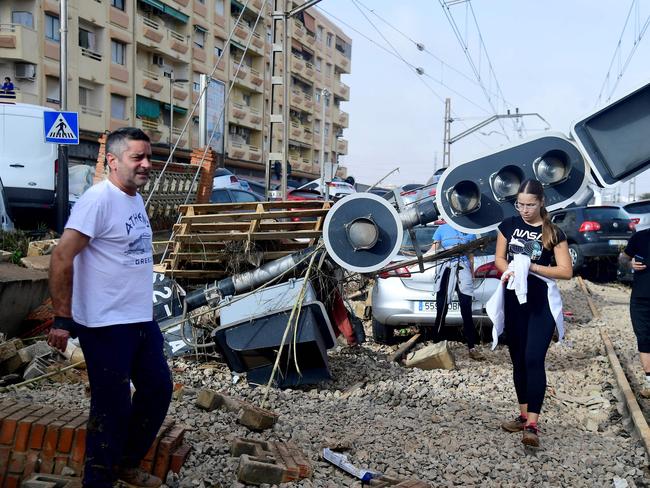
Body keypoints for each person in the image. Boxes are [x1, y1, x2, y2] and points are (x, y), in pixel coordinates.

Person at [47, 127, 172, 488]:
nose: (146, 164)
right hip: (104, 324)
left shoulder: (132, 197)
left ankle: (126, 464)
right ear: (113, 161)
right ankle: (97, 480)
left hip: (138, 320)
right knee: (111, 407)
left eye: (149, 157)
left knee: (158, 390)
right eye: (138, 157)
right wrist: (62, 318)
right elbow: (60, 257)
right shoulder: (97, 200)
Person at [492, 179, 572, 448]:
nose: (525, 210)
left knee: (533, 358)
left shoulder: (553, 233)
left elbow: (565, 271)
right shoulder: (508, 226)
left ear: (541, 203)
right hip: (514, 299)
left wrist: (533, 268)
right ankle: (523, 415)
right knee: (518, 359)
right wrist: (511, 269)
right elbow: (499, 259)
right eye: (520, 205)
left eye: (530, 205)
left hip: (541, 303)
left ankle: (533, 425)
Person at [425, 222, 484, 361]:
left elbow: (470, 254)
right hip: (446, 269)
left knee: (466, 309)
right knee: (442, 308)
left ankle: (472, 347)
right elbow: (434, 249)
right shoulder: (442, 229)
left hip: (463, 270)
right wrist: (418, 260)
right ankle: (436, 344)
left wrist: (472, 272)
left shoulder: (470, 229)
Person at [620, 227, 650, 396]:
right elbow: (623, 258)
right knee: (644, 338)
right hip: (641, 298)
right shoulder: (640, 237)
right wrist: (629, 263)